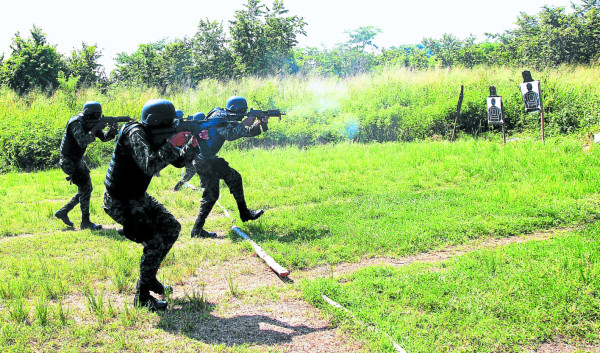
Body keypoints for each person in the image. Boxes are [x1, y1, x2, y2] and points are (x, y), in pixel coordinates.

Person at [102, 98, 204, 311]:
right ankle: (142, 296)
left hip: (138, 195)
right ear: (157, 122)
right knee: (154, 241)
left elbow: (177, 162)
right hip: (119, 200)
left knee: (172, 228)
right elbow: (150, 165)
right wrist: (173, 143)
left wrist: (192, 146)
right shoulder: (135, 133)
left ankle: (149, 279)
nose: (173, 127)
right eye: (170, 124)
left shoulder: (157, 132)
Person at [188, 96, 266, 238]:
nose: (243, 115)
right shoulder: (219, 117)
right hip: (204, 160)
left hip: (208, 160)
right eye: (242, 112)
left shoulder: (225, 117)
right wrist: (245, 122)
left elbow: (244, 132)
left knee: (226, 184)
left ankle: (244, 214)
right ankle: (198, 230)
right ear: (236, 110)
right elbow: (230, 135)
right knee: (216, 192)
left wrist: (258, 124)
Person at [54, 101, 118, 230]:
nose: (98, 118)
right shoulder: (75, 123)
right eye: (96, 115)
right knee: (85, 189)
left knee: (86, 189)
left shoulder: (90, 122)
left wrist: (112, 130)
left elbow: (104, 138)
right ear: (90, 114)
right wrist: (95, 129)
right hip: (68, 161)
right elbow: (82, 142)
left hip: (77, 159)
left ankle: (64, 212)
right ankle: (84, 222)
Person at [174, 112, 205, 191]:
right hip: (189, 155)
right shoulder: (191, 131)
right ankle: (177, 188)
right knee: (191, 171)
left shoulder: (195, 129)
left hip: (193, 154)